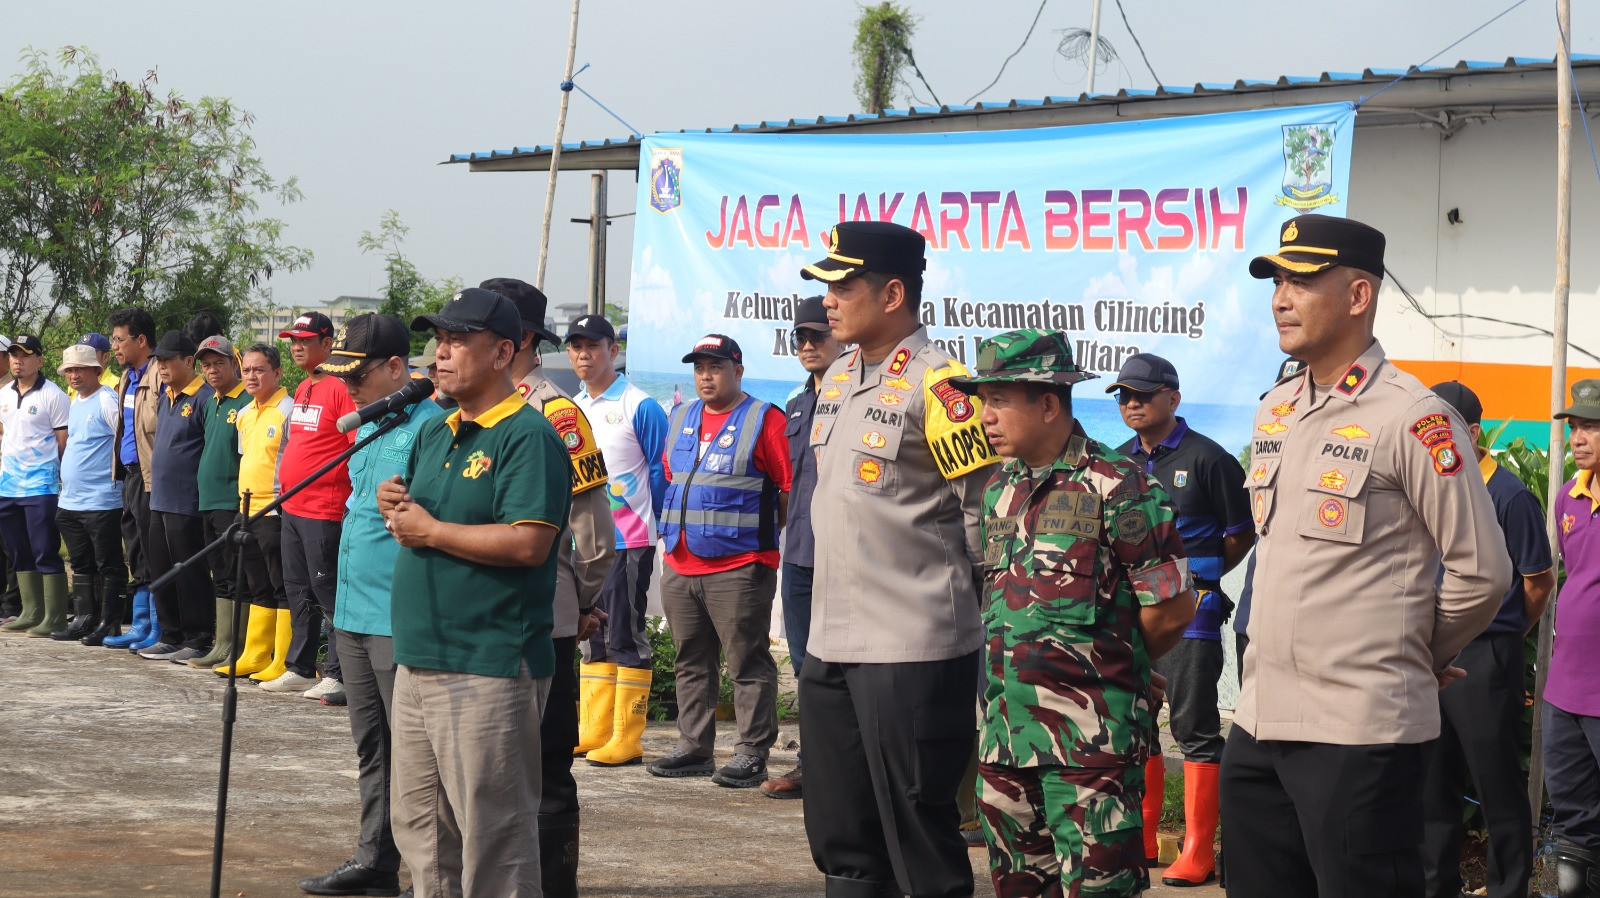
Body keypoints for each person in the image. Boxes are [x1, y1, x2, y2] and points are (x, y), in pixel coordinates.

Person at [1222, 214, 1512, 898]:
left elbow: (1482, 571)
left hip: (1358, 729)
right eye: (1276, 281)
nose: (1281, 298)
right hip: (1260, 721)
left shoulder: (1412, 417)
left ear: (1358, 295)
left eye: (1302, 281)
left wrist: (1413, 653)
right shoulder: (1276, 410)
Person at [946, 329, 1195, 898]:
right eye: (982, 401)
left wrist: (1120, 664)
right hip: (1007, 741)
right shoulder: (999, 488)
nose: (985, 416)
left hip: (1090, 749)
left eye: (998, 400)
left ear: (1048, 404)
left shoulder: (1119, 484)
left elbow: (1172, 606)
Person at [797, 220, 1000, 897]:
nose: (828, 300)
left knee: (918, 833)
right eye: (826, 287)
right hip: (831, 642)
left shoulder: (942, 387)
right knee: (843, 838)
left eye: (843, 287)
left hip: (912, 647)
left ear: (891, 294)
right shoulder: (837, 377)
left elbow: (986, 516)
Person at [380, 288, 572, 897]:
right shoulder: (435, 432)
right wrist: (397, 508)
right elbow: (419, 523)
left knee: (495, 839)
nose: (441, 352)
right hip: (420, 656)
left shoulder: (528, 435)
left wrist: (431, 530)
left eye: (459, 340)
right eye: (439, 339)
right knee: (422, 833)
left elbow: (529, 544)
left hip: (488, 662)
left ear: (503, 353)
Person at [297, 314, 440, 898]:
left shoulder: (433, 426)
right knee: (371, 745)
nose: (348, 387)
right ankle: (374, 860)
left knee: (415, 754)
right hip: (353, 609)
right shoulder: (370, 424)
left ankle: (431, 875)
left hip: (396, 613)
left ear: (396, 367)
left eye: (357, 376)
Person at [482, 276, 614, 897]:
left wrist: (581, 604)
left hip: (544, 616)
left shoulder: (557, 414)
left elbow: (596, 537)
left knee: (546, 768)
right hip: (478, 615)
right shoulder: (466, 410)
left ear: (520, 341)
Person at [1108, 352, 1253, 886]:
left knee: (1193, 726)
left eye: (1143, 395)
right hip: (1130, 619)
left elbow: (1239, 533)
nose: (1132, 404)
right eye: (1124, 396)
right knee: (1137, 723)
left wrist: (1196, 582)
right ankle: (1143, 839)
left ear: (1173, 397)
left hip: (1193, 617)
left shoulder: (1209, 458)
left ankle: (1198, 850)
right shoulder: (1117, 461)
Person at [1416, 381, 1552, 898]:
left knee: (1497, 786)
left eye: (1445, 428)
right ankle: (1437, 887)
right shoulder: (1428, 486)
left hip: (1486, 657)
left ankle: (1509, 888)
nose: (1434, 440)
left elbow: (1538, 581)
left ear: (1473, 433)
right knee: (1433, 784)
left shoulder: (1510, 495)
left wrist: (1505, 634)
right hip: (1430, 653)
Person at [647, 333, 791, 788]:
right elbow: (671, 477)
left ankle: (752, 753)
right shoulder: (680, 416)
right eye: (699, 368)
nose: (705, 376)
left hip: (740, 564)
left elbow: (789, 489)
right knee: (691, 660)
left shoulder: (764, 418)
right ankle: (694, 748)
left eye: (716, 367)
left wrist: (764, 539)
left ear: (738, 371)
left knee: (747, 662)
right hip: (681, 562)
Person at [567, 312, 670, 768]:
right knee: (589, 633)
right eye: (576, 346)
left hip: (629, 540)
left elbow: (661, 471)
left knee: (626, 633)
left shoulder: (638, 405)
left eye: (593, 346)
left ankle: (627, 736)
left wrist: (658, 526)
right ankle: (594, 729)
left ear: (613, 350)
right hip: (579, 545)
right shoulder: (570, 407)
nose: (583, 355)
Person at [760, 295, 841, 799]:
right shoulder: (794, 403)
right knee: (805, 666)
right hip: (799, 554)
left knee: (846, 669)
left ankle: (845, 773)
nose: (808, 345)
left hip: (843, 553)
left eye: (817, 335)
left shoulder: (855, 396)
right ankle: (813, 766)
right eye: (801, 338)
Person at [275, 311, 357, 699]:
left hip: (324, 507)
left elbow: (355, 446)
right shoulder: (305, 386)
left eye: (305, 341)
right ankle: (300, 667)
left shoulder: (340, 388)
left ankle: (338, 672)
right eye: (293, 340)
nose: (296, 347)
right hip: (292, 505)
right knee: (298, 589)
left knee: (328, 593)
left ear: (328, 344)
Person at [1547, 380, 1600, 898]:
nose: (1578, 438)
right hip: (1564, 689)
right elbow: (1573, 570)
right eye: (1575, 427)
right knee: (1570, 818)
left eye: (1591, 427)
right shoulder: (1568, 495)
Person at [138, 331, 218, 662]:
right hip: (159, 498)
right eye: (159, 360)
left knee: (190, 572)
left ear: (188, 361)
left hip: (188, 502)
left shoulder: (205, 398)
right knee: (161, 569)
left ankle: (198, 637)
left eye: (169, 360)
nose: (162, 366)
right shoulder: (166, 395)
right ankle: (170, 634)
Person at [219, 343, 295, 680]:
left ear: (277, 373)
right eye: (247, 370)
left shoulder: (288, 410)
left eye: (259, 369)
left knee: (281, 585)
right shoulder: (245, 413)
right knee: (255, 584)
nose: (251, 376)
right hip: (246, 510)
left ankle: (283, 660)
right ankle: (255, 654)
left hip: (275, 511)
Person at [51, 343, 127, 643]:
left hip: (101, 499)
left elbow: (123, 439)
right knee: (81, 562)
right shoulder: (75, 402)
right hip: (71, 500)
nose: (74, 375)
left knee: (108, 562)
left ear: (96, 370)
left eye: (80, 369)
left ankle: (110, 622)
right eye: (69, 370)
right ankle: (85, 618)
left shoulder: (106, 399)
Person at [187, 335, 252, 670]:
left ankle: (236, 646)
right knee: (220, 573)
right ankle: (222, 642)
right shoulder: (211, 402)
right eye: (206, 365)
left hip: (231, 502)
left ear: (234, 364)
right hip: (208, 501)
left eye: (219, 363)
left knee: (235, 573)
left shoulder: (245, 401)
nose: (212, 370)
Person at [0, 333, 71, 637]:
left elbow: (63, 441)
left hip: (41, 486)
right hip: (8, 486)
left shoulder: (53, 395)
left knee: (44, 549)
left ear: (39, 360)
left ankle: (54, 616)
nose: (18, 361)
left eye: (25, 355)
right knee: (17, 550)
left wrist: (53, 474)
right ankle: (31, 611)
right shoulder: (4, 394)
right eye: (14, 355)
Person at [100, 308, 161, 650]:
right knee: (135, 549)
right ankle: (139, 623)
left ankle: (158, 625)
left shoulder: (159, 374)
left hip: (152, 477)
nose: (115, 347)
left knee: (153, 551)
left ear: (141, 340)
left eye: (119, 340)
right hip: (130, 476)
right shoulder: (127, 377)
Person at [65, 333, 120, 399]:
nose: (82, 358)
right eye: (80, 354)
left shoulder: (115, 385)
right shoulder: (75, 384)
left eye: (89, 354)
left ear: (105, 357)